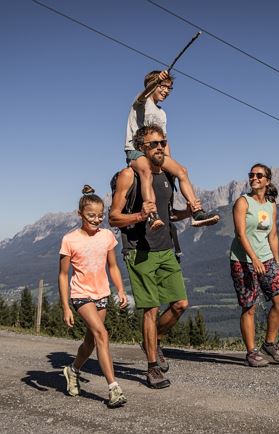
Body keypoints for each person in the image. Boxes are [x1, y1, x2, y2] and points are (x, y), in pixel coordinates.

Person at [110, 124, 192, 389]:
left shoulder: (166, 176)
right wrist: (139, 216)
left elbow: (169, 213)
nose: (160, 147)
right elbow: (113, 217)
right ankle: (152, 367)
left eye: (162, 142)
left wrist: (188, 213)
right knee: (151, 308)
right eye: (154, 144)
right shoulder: (128, 175)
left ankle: (152, 341)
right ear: (141, 149)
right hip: (139, 251)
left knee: (180, 304)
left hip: (165, 248)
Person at [59, 185, 128, 408]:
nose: (97, 220)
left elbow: (113, 266)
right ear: (80, 214)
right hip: (81, 294)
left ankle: (72, 370)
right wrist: (66, 307)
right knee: (102, 334)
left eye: (100, 216)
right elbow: (62, 275)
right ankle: (113, 388)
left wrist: (120, 289)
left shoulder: (107, 236)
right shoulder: (69, 240)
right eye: (91, 216)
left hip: (102, 294)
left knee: (91, 341)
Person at [124, 69, 219, 229]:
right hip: (137, 150)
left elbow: (164, 141)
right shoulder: (141, 103)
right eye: (163, 86)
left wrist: (169, 163)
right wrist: (154, 82)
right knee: (146, 171)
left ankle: (196, 212)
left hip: (156, 152)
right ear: (152, 85)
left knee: (181, 171)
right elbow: (142, 95)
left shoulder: (162, 114)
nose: (166, 91)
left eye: (169, 88)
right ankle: (152, 215)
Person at [230, 164, 279, 367]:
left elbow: (272, 235)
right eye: (251, 175)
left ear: (267, 181)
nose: (254, 178)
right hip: (243, 260)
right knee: (249, 306)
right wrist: (253, 258)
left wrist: (276, 260)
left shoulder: (271, 205)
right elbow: (241, 234)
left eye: (259, 175)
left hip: (267, 259)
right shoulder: (242, 202)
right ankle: (251, 352)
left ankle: (269, 344)